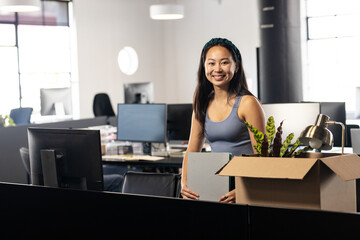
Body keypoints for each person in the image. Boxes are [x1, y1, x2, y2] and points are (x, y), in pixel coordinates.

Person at [180, 38, 266, 203]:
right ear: (204, 66)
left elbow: (263, 156)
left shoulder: (248, 103)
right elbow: (191, 150)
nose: (217, 69)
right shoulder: (202, 104)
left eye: (224, 62)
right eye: (211, 63)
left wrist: (242, 188)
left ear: (236, 65)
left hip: (247, 186)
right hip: (216, 185)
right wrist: (184, 183)